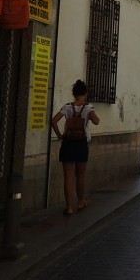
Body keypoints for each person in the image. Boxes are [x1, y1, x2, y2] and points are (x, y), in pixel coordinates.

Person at [51, 79, 100, 215]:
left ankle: (69, 207)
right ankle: (81, 201)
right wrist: (89, 116)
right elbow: (96, 121)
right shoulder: (88, 107)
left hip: (67, 143)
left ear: (74, 94)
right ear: (85, 93)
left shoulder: (67, 107)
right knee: (80, 175)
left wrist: (60, 135)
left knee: (68, 176)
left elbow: (54, 121)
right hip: (81, 143)